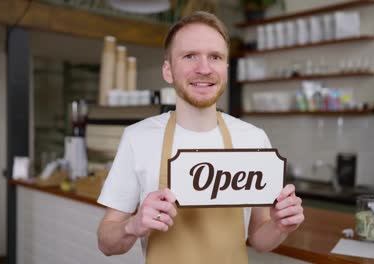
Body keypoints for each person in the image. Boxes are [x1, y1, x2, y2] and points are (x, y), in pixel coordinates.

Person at [97, 11, 304, 264]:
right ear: (168, 70)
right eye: (189, 56)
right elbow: (106, 242)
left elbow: (260, 239)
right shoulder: (137, 138)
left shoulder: (253, 139)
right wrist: (133, 225)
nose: (204, 69)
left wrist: (282, 225)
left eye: (215, 57)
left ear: (226, 69)